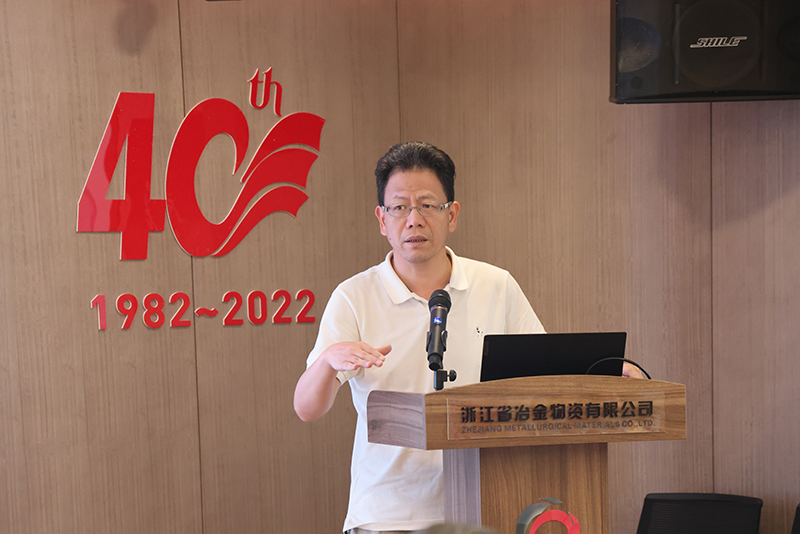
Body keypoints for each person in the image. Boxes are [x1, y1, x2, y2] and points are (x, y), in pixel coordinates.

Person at [293, 141, 547, 534]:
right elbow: (307, 408)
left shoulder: (496, 286)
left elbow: (546, 372)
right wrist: (328, 361)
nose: (414, 220)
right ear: (382, 219)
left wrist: (608, 376)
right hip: (386, 514)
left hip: (482, 507)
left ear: (452, 214)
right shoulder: (354, 296)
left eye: (428, 205)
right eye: (399, 208)